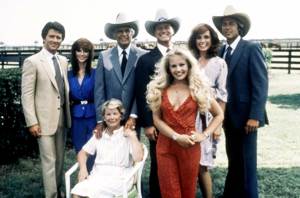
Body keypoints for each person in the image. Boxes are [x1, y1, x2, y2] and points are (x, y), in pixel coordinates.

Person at [146, 48, 224, 198]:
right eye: (173, 66)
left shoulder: (198, 88)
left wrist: (204, 134)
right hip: (165, 146)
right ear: (168, 68)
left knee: (188, 191)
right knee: (170, 192)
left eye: (182, 65)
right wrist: (176, 136)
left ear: (189, 65)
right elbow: (157, 120)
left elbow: (219, 114)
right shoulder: (159, 89)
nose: (178, 69)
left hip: (190, 146)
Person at [212, 5, 268, 198]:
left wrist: (255, 116)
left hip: (246, 119)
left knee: (247, 164)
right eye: (224, 24)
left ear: (239, 27)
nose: (226, 27)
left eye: (231, 24)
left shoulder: (251, 48)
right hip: (227, 117)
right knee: (234, 160)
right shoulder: (220, 51)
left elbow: (260, 85)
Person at [21, 21, 71, 198]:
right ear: (44, 38)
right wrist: (32, 122)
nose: (55, 40)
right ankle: (51, 195)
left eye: (59, 37)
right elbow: (26, 95)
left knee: (59, 160)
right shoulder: (32, 62)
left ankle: (58, 190)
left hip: (62, 119)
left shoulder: (63, 61)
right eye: (52, 36)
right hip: (42, 122)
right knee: (49, 161)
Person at [135, 9, 180, 198]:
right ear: (155, 32)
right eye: (160, 28)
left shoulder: (181, 56)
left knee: (178, 160)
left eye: (167, 27)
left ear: (172, 30)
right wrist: (147, 123)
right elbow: (141, 93)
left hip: (179, 118)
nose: (164, 31)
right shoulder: (145, 60)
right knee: (159, 162)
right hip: (158, 120)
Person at [71, 98, 144, 198]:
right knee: (77, 192)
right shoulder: (99, 134)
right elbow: (82, 153)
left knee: (91, 193)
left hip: (119, 177)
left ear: (121, 116)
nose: (111, 117)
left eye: (115, 113)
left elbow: (138, 158)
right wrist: (83, 168)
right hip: (98, 175)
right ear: (104, 117)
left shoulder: (126, 134)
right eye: (108, 114)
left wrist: (132, 136)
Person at [187, 23, 228, 198]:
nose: (202, 41)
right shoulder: (190, 61)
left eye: (206, 37)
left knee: (202, 164)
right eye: (198, 37)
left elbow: (223, 95)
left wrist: (218, 126)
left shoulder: (219, 63)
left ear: (212, 40)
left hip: (209, 117)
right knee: (189, 160)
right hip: (188, 115)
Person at [94, 12, 147, 138]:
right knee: (112, 155)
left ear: (132, 33)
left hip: (132, 118)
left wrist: (133, 115)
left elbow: (142, 90)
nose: (124, 34)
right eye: (120, 31)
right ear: (114, 34)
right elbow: (99, 90)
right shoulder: (104, 56)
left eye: (127, 30)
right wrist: (101, 119)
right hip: (110, 118)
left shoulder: (142, 55)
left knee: (132, 154)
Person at [68, 38, 96, 171]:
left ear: (90, 54)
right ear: (74, 53)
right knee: (79, 148)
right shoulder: (68, 75)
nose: (82, 54)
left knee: (93, 149)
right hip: (76, 117)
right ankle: (84, 177)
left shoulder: (96, 73)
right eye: (78, 50)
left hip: (93, 115)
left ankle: (93, 178)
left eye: (85, 51)